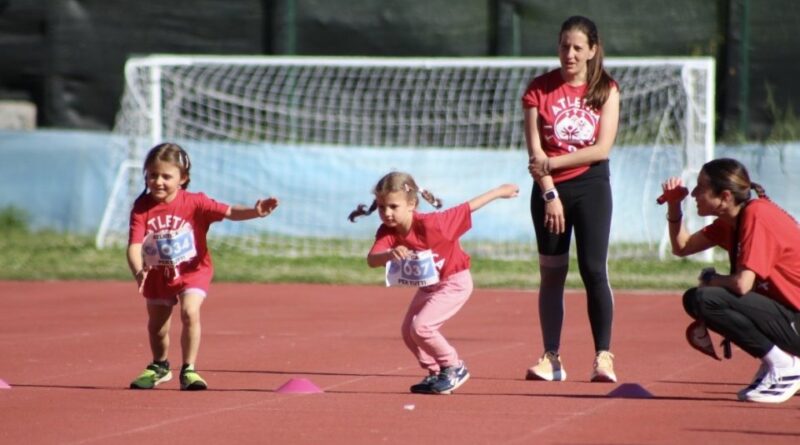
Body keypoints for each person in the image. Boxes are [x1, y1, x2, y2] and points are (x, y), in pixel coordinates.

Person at [127, 142, 279, 390]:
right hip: (157, 274)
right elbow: (134, 245)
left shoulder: (196, 202)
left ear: (183, 179)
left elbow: (229, 211)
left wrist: (255, 211)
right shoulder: (142, 207)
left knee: (189, 312)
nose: (158, 182)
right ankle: (160, 366)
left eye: (166, 176)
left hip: (193, 271)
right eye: (153, 175)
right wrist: (138, 271)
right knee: (157, 327)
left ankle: (189, 369)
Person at [349, 171, 519, 394]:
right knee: (408, 332)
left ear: (411, 205)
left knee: (422, 328)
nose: (387, 213)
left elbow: (468, 207)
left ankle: (454, 367)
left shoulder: (435, 224)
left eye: (393, 206)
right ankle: (436, 371)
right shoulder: (387, 231)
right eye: (382, 207)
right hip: (429, 286)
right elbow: (372, 260)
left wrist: (499, 191)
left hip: (454, 282)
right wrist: (389, 254)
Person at [521, 15, 620, 383]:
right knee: (552, 273)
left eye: (578, 47)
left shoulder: (606, 89)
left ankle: (603, 357)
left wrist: (553, 162)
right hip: (549, 191)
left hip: (592, 187)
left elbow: (601, 149)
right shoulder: (538, 89)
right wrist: (549, 193)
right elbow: (535, 152)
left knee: (593, 269)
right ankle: (552, 357)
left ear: (592, 50)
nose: (570, 54)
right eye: (565, 46)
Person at [662, 158, 800, 403]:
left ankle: (785, 365)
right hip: (789, 317)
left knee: (705, 299)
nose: (693, 194)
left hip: (794, 318)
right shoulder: (732, 221)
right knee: (697, 298)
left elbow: (742, 284)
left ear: (725, 196)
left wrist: (711, 279)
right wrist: (674, 206)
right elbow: (682, 246)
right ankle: (781, 360)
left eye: (701, 187)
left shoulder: (757, 215)